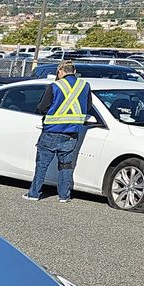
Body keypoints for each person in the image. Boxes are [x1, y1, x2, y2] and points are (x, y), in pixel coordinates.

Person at [27, 61, 93, 203]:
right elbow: (87, 107)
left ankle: (34, 194)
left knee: (42, 164)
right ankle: (64, 196)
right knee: (66, 166)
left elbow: (42, 107)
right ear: (74, 71)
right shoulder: (85, 86)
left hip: (51, 131)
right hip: (72, 133)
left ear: (60, 72)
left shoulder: (55, 86)